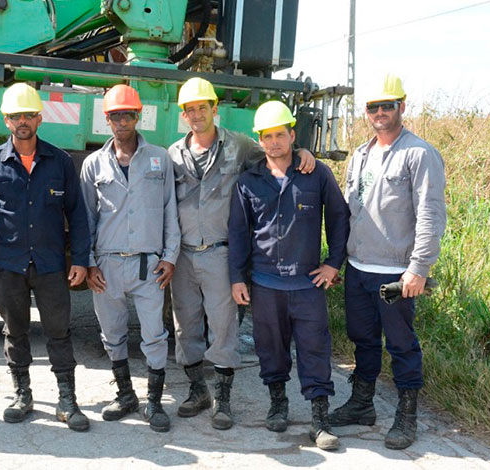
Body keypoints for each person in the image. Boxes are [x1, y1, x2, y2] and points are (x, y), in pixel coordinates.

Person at [168, 77, 316, 430]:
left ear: (214, 109)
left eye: (202, 107)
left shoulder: (240, 147)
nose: (196, 114)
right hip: (183, 255)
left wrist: (303, 153)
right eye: (190, 109)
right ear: (184, 116)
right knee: (185, 325)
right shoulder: (173, 154)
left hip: (220, 254)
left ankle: (223, 399)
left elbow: (276, 155)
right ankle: (197, 390)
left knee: (223, 329)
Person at [329, 74, 446, 450]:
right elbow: (352, 208)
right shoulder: (362, 154)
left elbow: (430, 215)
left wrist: (419, 269)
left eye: (387, 106)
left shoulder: (419, 154)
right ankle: (363, 403)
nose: (379, 113)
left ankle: (406, 414)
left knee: (400, 343)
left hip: (396, 273)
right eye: (373, 107)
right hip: (359, 267)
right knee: (362, 338)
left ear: (402, 107)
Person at [0, 83, 91, 432]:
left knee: (59, 333)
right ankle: (22, 395)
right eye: (15, 116)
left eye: (28, 115)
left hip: (51, 266)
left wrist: (79, 259)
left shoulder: (61, 162)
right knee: (15, 332)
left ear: (39, 119)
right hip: (9, 266)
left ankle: (67, 400)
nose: (22, 121)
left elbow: (77, 215)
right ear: (6, 121)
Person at [228, 101, 349, 450]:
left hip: (307, 283)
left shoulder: (317, 174)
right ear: (260, 141)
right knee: (271, 348)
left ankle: (319, 418)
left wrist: (334, 262)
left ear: (292, 135)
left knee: (314, 348)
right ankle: (278, 403)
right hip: (265, 284)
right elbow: (238, 232)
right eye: (267, 136)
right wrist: (238, 277)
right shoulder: (248, 182)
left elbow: (339, 218)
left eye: (281, 134)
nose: (275, 142)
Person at [80, 84, 181, 433]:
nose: (122, 121)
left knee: (154, 334)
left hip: (148, 265)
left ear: (139, 117)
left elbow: (170, 210)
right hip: (106, 265)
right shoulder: (94, 164)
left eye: (128, 114)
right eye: (115, 115)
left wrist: (170, 257)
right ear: (106, 119)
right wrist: (88, 262)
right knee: (112, 334)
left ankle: (153, 402)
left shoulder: (159, 158)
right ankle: (125, 395)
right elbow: (85, 219)